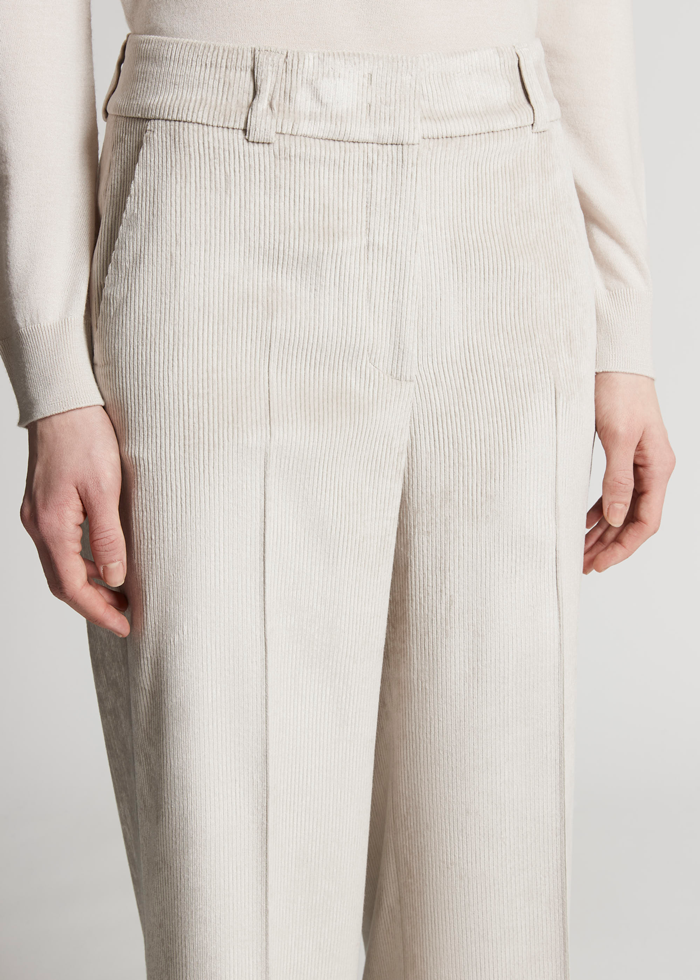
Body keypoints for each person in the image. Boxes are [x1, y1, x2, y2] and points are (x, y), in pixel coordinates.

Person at [0, 1, 675, 978]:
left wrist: (623, 322)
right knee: (234, 906)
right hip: (215, 191)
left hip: (503, 184)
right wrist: (54, 375)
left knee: (493, 893)